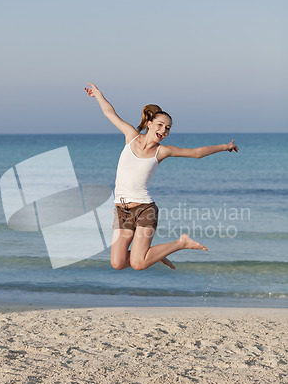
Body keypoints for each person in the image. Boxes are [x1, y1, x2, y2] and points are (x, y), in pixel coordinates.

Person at [84, 83, 239, 271]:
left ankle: (181, 243)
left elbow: (196, 153)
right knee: (117, 263)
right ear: (149, 124)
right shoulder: (131, 136)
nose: (164, 131)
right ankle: (155, 255)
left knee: (138, 264)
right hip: (121, 210)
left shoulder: (162, 151)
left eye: (168, 128)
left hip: (144, 210)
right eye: (160, 125)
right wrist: (99, 95)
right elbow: (110, 113)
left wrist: (225, 146)